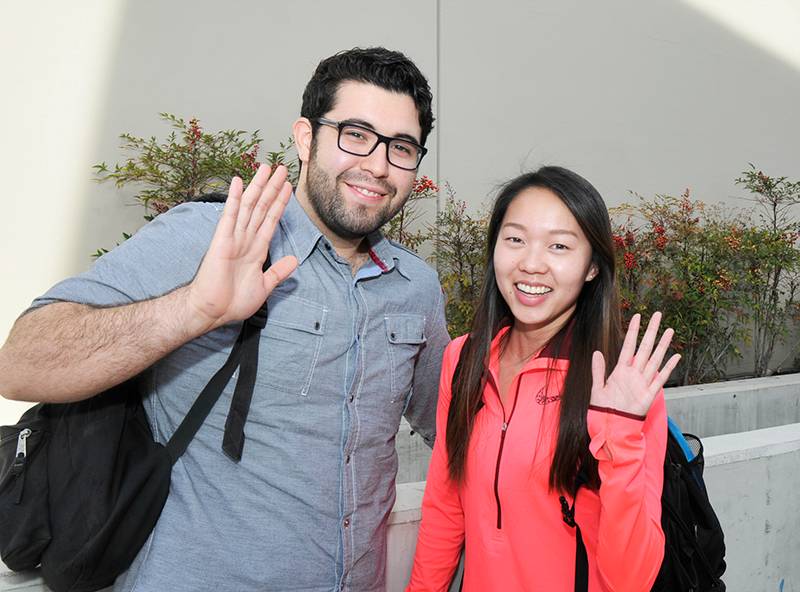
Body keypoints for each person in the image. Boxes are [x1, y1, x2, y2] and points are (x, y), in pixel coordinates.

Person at [0, 47, 450, 592]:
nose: (377, 165)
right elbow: (22, 361)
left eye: (401, 147)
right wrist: (194, 308)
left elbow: (453, 428)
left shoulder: (416, 289)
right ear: (306, 138)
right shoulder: (215, 236)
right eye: (355, 134)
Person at [406, 166, 680, 591]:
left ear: (591, 267)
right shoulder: (463, 359)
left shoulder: (617, 385)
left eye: (559, 246)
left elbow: (633, 578)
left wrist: (620, 436)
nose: (532, 264)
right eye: (515, 239)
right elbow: (445, 506)